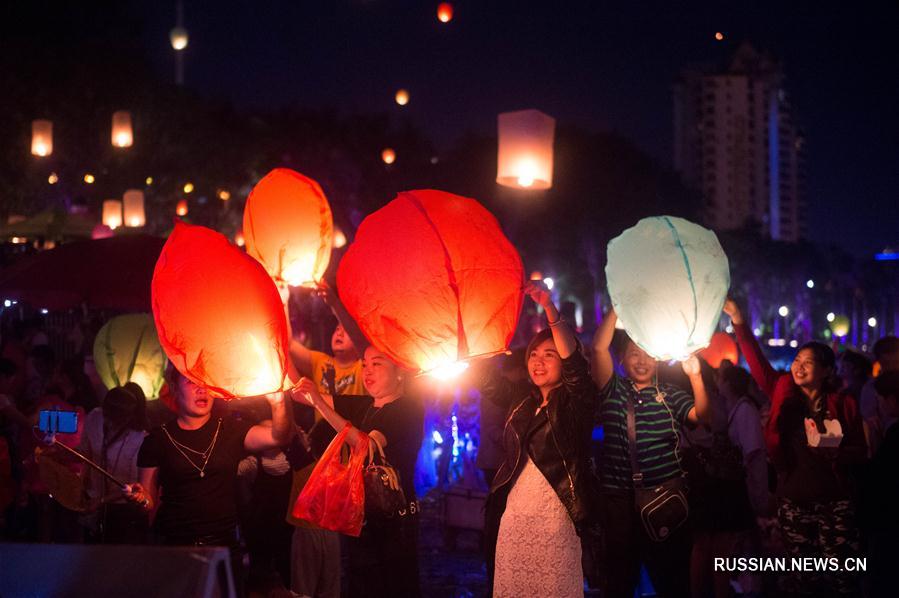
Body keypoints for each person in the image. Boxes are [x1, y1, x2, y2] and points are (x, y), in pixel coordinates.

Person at [725, 299, 866, 596]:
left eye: (808, 362)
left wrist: (836, 453)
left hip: (836, 502)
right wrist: (738, 320)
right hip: (794, 500)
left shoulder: (845, 404)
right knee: (803, 580)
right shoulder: (782, 392)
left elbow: (861, 452)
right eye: (797, 361)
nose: (798, 367)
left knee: (842, 578)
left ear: (827, 370)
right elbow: (758, 363)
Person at [126, 364, 294, 590]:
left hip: (224, 549)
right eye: (191, 382)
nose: (201, 390)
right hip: (176, 550)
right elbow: (148, 501)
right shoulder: (158, 440)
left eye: (205, 383)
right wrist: (139, 499)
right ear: (175, 389)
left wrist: (279, 402)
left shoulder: (231, 431)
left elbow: (278, 436)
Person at [481, 282, 598, 598]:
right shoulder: (523, 399)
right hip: (516, 512)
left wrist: (549, 309)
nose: (539, 362)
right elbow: (488, 383)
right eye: (534, 354)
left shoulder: (578, 400)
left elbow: (576, 369)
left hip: (556, 513)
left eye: (550, 355)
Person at [591, 307, 710, 598]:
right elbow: (597, 348)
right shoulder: (613, 389)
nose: (642, 361)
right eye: (634, 353)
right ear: (622, 358)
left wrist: (696, 377)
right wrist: (620, 304)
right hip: (618, 500)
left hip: (664, 498)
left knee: (671, 578)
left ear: (657, 360)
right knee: (619, 580)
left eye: (648, 354)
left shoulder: (671, 394)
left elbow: (703, 416)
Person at [296, 344, 424, 598]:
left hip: (394, 523)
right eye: (364, 364)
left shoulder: (407, 408)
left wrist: (319, 402)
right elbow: (302, 395)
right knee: (360, 584)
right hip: (361, 518)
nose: (368, 370)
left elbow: (366, 446)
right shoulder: (365, 405)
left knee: (391, 588)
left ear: (400, 372)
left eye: (377, 363)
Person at [286, 282, 369, 598]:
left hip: (350, 451)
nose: (339, 332)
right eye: (335, 328)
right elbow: (288, 345)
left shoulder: (366, 368)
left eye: (344, 330)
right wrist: (282, 298)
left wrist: (334, 302)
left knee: (336, 541)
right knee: (316, 534)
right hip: (323, 454)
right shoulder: (322, 363)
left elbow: (361, 340)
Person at [689, 363, 772, 598]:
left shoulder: (742, 409)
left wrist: (757, 491)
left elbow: (752, 453)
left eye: (721, 378)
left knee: (721, 546)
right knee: (717, 546)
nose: (717, 381)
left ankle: (738, 587)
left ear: (728, 383)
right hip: (721, 485)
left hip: (727, 485)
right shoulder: (726, 406)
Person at [79, 386, 148, 544]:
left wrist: (102, 500)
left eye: (114, 420)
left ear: (127, 418)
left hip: (122, 509)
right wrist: (81, 486)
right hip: (91, 499)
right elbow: (85, 452)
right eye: (106, 416)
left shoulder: (139, 438)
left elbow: (135, 485)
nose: (108, 423)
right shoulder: (95, 417)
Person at [860, 371, 899, 596]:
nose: (879, 405)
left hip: (888, 521)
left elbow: (880, 477)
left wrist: (874, 444)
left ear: (892, 399)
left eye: (881, 400)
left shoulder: (894, 435)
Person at [859, 335, 899, 454]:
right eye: (887, 362)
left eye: (896, 362)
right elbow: (871, 422)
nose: (892, 366)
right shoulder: (872, 387)